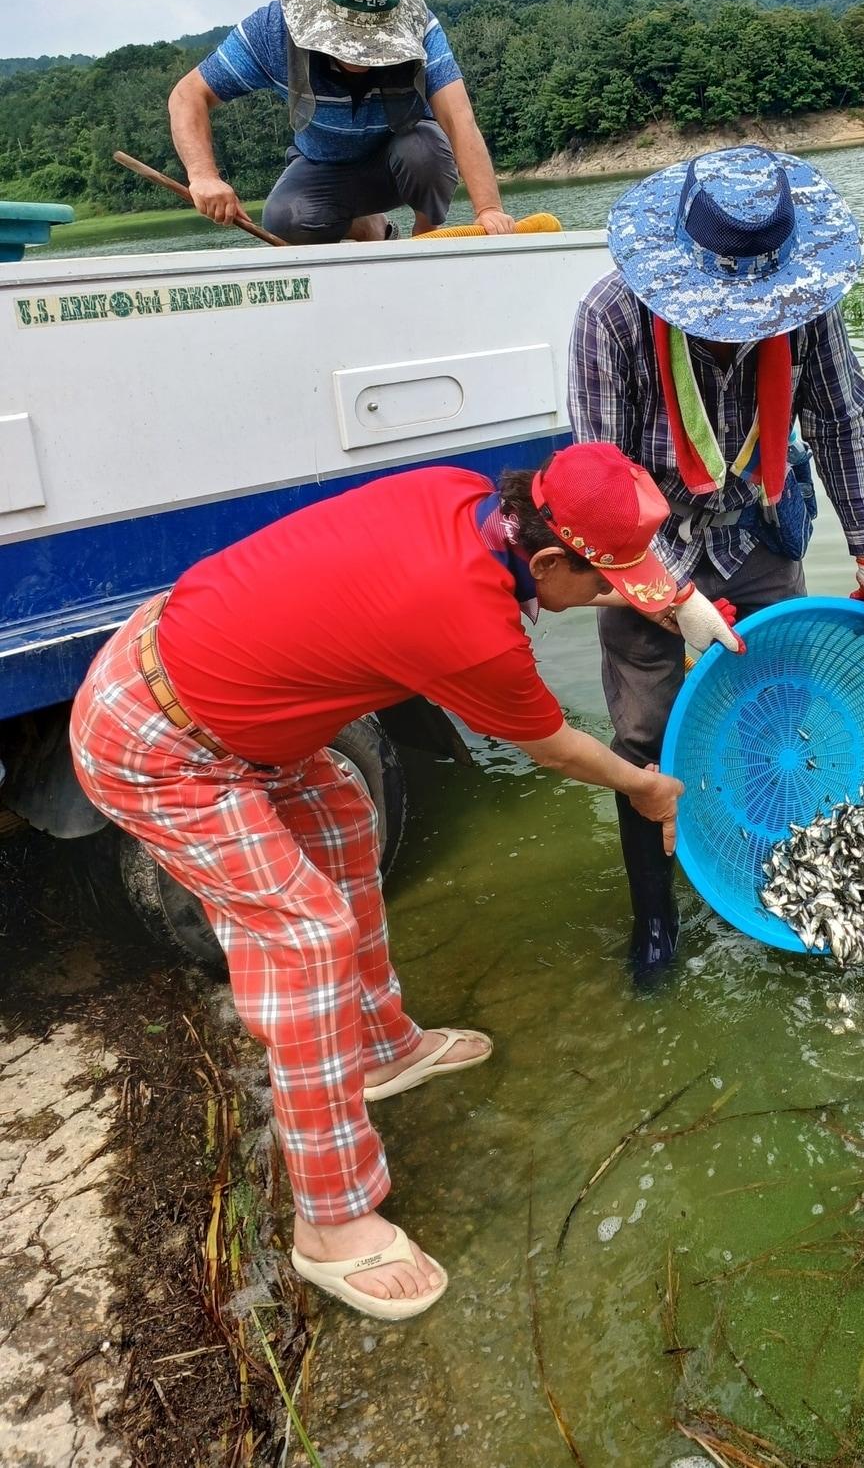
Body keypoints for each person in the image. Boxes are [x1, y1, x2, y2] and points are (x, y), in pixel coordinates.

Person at [69, 444, 732, 1321]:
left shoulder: (468, 499)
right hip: (162, 737)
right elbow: (552, 746)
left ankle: (381, 1047)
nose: (616, 590)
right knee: (303, 935)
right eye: (605, 576)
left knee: (345, 808)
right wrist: (648, 786)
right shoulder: (466, 620)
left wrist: (672, 600)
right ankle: (330, 1221)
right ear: (543, 560)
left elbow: (558, 586)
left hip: (214, 678)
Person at [569, 145, 864, 980]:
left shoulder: (804, 309)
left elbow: (843, 422)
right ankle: (654, 920)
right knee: (644, 731)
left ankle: (773, 880)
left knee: (772, 711)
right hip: (645, 540)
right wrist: (675, 598)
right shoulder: (608, 320)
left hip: (756, 526)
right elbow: (599, 493)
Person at [167, 0, 515, 244]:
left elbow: (458, 118)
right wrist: (203, 175)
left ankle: (424, 232)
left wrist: (489, 210)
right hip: (324, 166)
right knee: (283, 218)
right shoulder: (273, 31)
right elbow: (188, 94)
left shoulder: (419, 26)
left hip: (402, 161)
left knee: (424, 152)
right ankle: (367, 227)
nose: (360, 55)